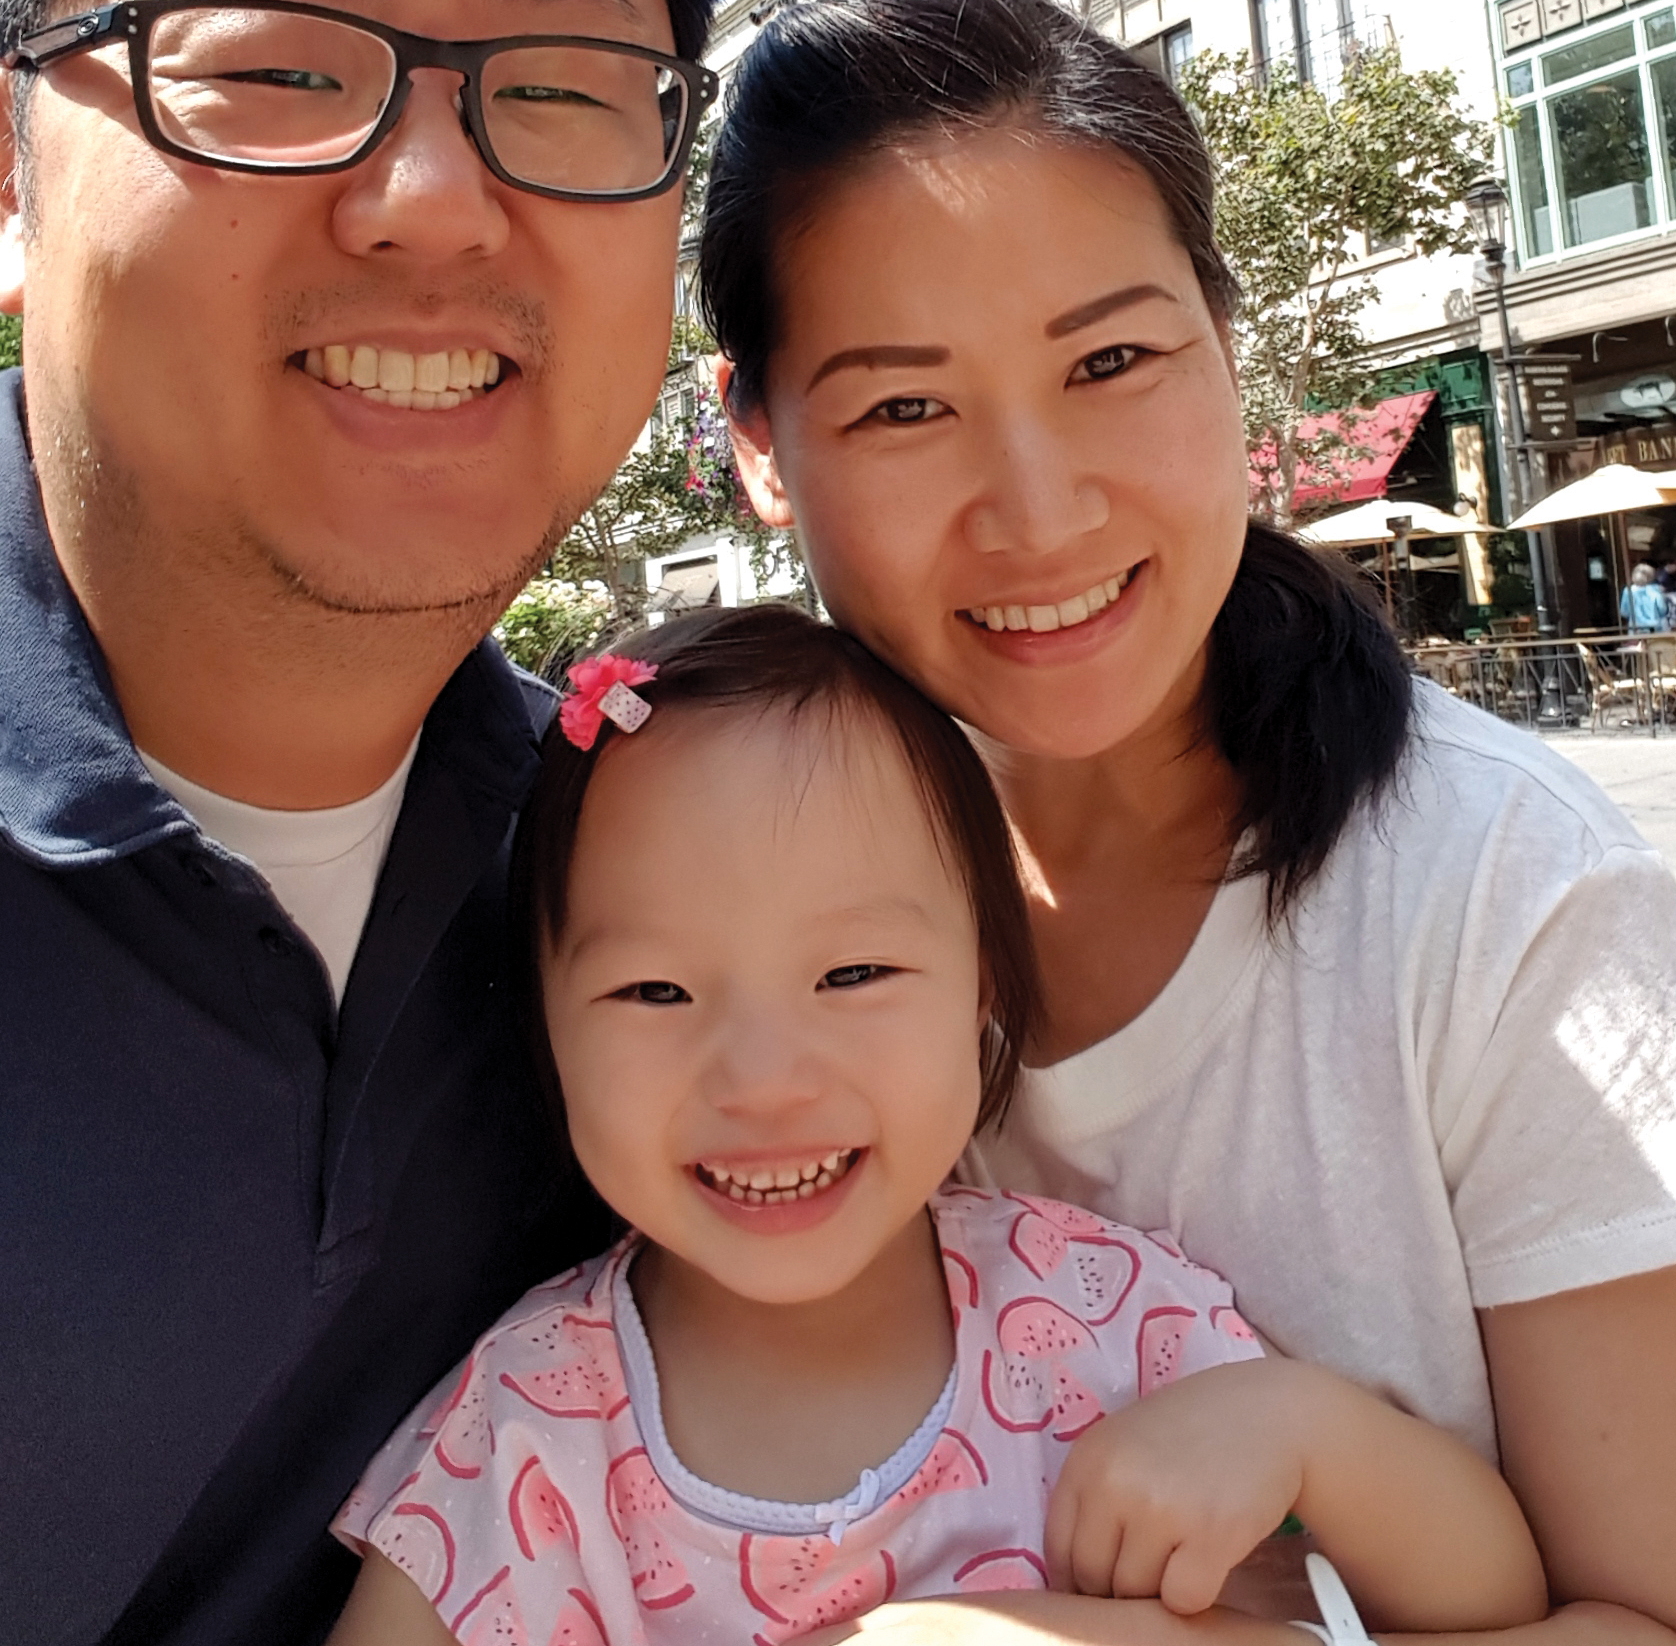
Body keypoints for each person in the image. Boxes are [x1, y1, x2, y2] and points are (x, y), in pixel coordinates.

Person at [699, 0, 1676, 1646]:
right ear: (760, 446)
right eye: (903, 406)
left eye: (1112, 359)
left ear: (1228, 342)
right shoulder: (715, 908)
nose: (1041, 507)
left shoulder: (1504, 900)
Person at [0, 0, 718, 1644]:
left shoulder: (662, 861)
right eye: (279, 60)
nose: (429, 197)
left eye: (569, 91)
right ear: (19, 183)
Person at [326, 606, 1545, 1646]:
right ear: (541, 1031)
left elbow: (1487, 1593)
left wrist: (1305, 1434)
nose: (761, 1079)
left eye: (853, 974)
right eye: (655, 992)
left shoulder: (1105, 1322)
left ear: (984, 995)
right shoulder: (527, 1437)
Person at [1620, 561, 1672, 632]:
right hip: (1654, 628)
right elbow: (1663, 610)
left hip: (1635, 628)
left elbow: (1624, 612)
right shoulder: (1655, 590)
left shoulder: (1628, 591)